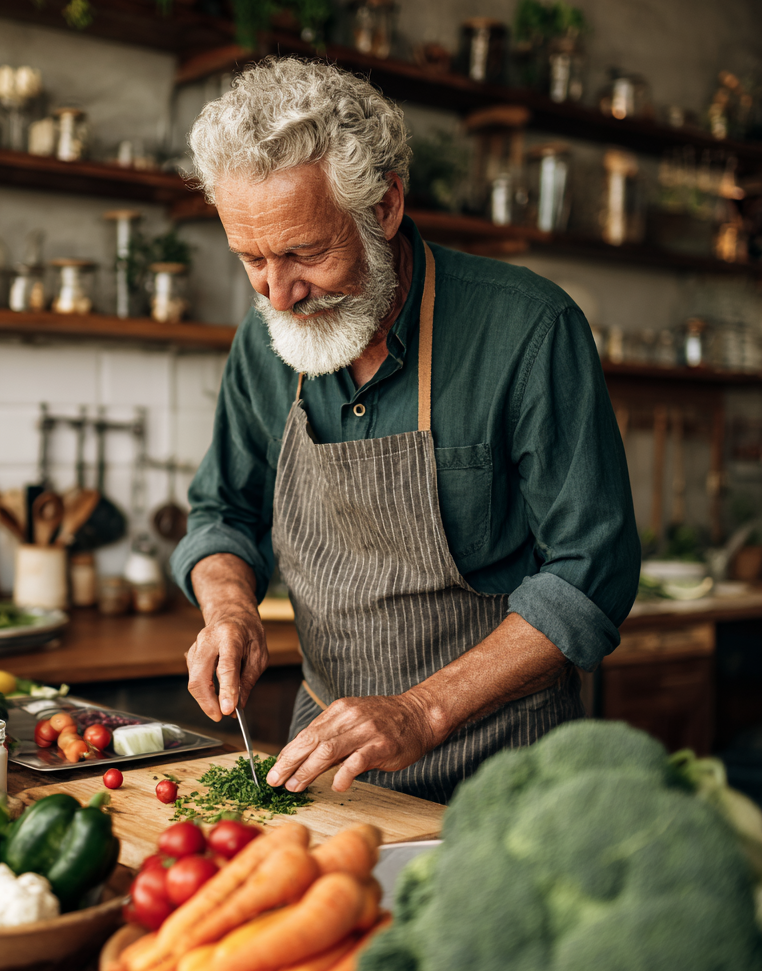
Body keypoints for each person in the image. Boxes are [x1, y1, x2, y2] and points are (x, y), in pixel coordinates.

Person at [170, 58, 640, 804]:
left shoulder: (527, 329)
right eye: (251, 259)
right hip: (330, 763)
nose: (279, 294)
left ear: (384, 206)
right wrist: (230, 609)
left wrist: (422, 709)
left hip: (510, 769)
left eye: (305, 253)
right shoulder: (264, 344)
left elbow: (592, 570)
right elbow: (223, 514)